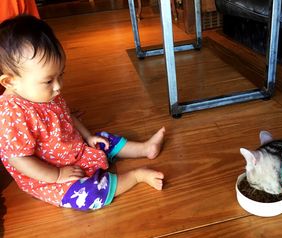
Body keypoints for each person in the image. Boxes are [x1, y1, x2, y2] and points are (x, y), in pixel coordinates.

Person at [0, 15, 165, 211]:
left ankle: (145, 148)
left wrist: (88, 137)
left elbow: (65, 114)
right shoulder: (11, 115)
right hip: (49, 175)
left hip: (73, 148)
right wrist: (58, 175)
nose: (59, 86)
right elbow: (20, 160)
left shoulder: (43, 92)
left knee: (103, 140)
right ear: (10, 82)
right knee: (88, 196)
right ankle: (136, 176)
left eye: (61, 75)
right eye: (48, 81)